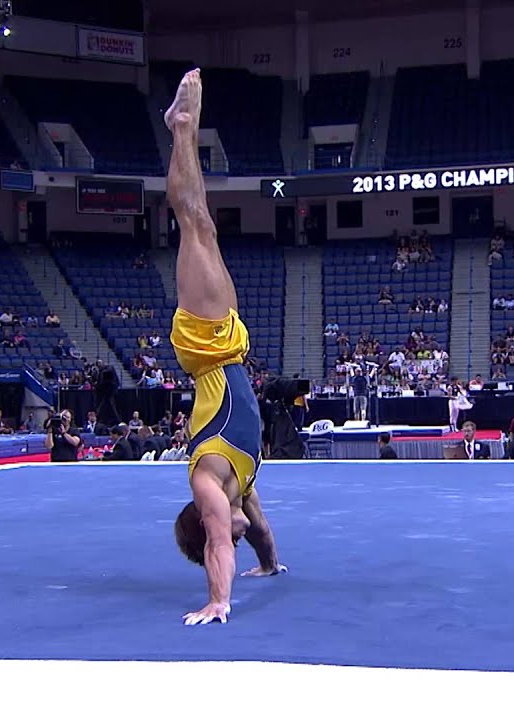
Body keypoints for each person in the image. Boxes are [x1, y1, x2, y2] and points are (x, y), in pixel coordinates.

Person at [166, 69, 285, 627]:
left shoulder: (207, 481)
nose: (234, 529)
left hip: (207, 346)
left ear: (207, 516)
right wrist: (271, 565)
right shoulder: (246, 490)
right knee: (204, 227)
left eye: (222, 526)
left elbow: (220, 542)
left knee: (193, 224)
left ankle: (182, 127)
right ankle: (183, 127)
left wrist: (220, 599)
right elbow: (256, 532)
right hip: (228, 344)